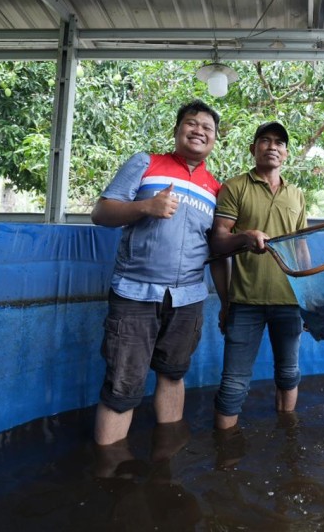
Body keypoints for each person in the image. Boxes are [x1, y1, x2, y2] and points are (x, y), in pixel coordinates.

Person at [91, 99, 228, 446]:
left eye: (207, 128)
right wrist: (145, 207)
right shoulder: (146, 163)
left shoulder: (216, 188)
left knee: (173, 374)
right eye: (191, 123)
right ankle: (108, 478)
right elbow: (101, 213)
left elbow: (216, 248)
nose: (198, 131)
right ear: (177, 129)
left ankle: (167, 461)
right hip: (135, 294)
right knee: (122, 386)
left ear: (215, 140)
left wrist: (227, 301)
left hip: (188, 299)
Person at [210, 121, 308, 431]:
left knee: (289, 373)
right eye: (264, 140)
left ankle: (287, 436)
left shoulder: (297, 194)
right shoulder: (235, 186)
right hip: (244, 302)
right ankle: (224, 458)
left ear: (286, 153)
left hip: (290, 301)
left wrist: (307, 297)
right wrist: (245, 237)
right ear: (253, 149)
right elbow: (217, 242)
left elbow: (301, 246)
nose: (272, 146)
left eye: (279, 142)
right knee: (233, 384)